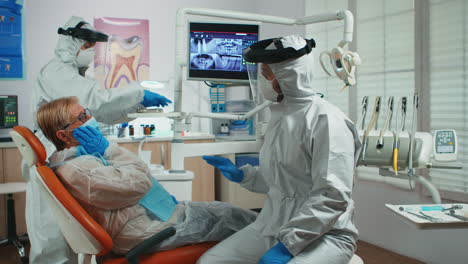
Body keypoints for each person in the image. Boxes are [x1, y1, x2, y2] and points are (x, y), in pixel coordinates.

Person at [198, 35, 361, 264]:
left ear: (289, 75)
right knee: (211, 261)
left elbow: (332, 196)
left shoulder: (327, 121)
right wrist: (244, 175)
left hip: (325, 235)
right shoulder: (280, 116)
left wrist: (288, 246)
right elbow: (283, 181)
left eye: (266, 75)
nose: (261, 82)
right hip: (272, 226)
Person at [25, 16, 172, 263]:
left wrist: (135, 106)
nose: (91, 53)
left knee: (68, 232)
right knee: (53, 236)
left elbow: (96, 110)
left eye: (93, 48)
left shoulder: (74, 76)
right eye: (87, 47)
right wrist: (137, 92)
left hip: (60, 150)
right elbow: (95, 100)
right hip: (52, 151)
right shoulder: (57, 71)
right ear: (72, 45)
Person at [36, 96, 257, 256]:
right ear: (63, 135)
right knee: (235, 217)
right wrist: (108, 149)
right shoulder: (78, 170)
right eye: (81, 117)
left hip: (141, 220)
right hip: (144, 231)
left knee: (223, 211)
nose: (90, 118)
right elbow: (141, 183)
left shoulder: (74, 159)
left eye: (87, 112)